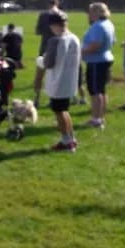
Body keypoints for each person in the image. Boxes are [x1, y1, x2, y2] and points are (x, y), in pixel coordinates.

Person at [42, 12, 81, 152]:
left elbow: (49, 63)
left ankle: (67, 141)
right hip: (70, 80)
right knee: (64, 110)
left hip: (58, 81)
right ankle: (71, 138)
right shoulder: (74, 38)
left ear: (54, 25)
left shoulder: (56, 40)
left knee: (59, 111)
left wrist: (41, 60)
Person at [82, 2, 115, 129]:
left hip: (96, 61)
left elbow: (95, 45)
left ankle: (96, 119)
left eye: (90, 12)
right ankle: (100, 117)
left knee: (95, 91)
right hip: (104, 58)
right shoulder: (108, 24)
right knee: (101, 89)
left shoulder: (98, 26)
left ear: (96, 12)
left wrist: (80, 51)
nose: (88, 15)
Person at [33, 0, 60, 107]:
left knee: (39, 74)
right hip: (58, 47)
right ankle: (53, 98)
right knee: (55, 75)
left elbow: (38, 31)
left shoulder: (43, 15)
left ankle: (37, 99)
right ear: (57, 3)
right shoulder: (62, 14)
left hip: (45, 46)